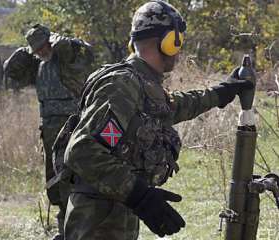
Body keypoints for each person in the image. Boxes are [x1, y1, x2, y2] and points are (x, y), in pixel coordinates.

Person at [63, 1, 254, 239]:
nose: (179, 49)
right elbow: (82, 151)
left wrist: (221, 92)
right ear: (168, 40)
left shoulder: (142, 84)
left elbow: (173, 108)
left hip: (112, 216)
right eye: (179, 40)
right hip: (97, 223)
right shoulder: (121, 84)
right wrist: (139, 196)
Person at [3, 24, 94, 240]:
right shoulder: (39, 64)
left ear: (50, 42)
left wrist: (54, 40)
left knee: (72, 174)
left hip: (72, 125)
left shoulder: (66, 56)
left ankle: (81, 227)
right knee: (54, 177)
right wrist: (26, 50)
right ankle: (65, 227)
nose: (41, 52)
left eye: (43, 47)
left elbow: (78, 49)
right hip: (49, 128)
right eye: (36, 50)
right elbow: (10, 70)